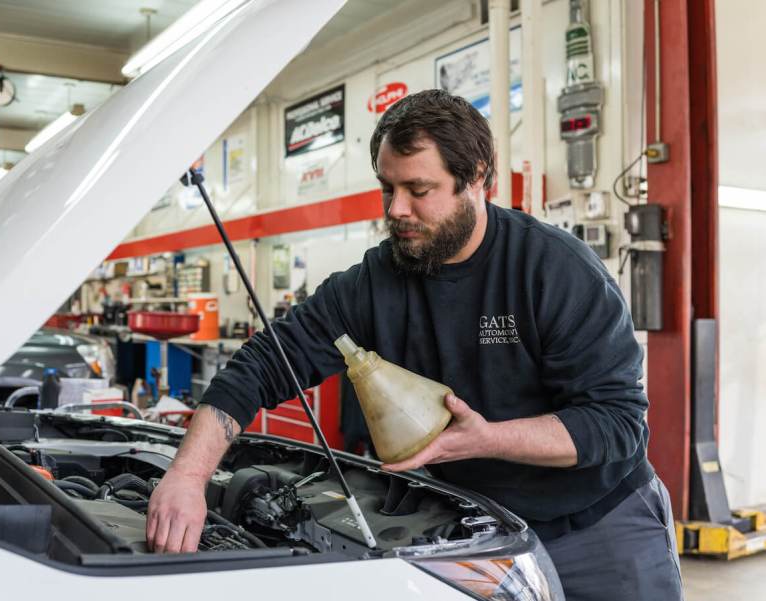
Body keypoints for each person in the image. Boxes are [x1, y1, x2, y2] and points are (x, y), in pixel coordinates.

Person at [146, 89, 683, 600]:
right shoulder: (373, 283)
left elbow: (614, 423)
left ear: (477, 179)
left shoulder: (553, 270)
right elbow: (262, 365)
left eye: (418, 191)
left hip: (598, 527)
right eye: (388, 188)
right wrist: (187, 477)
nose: (397, 209)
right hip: (476, 530)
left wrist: (484, 439)